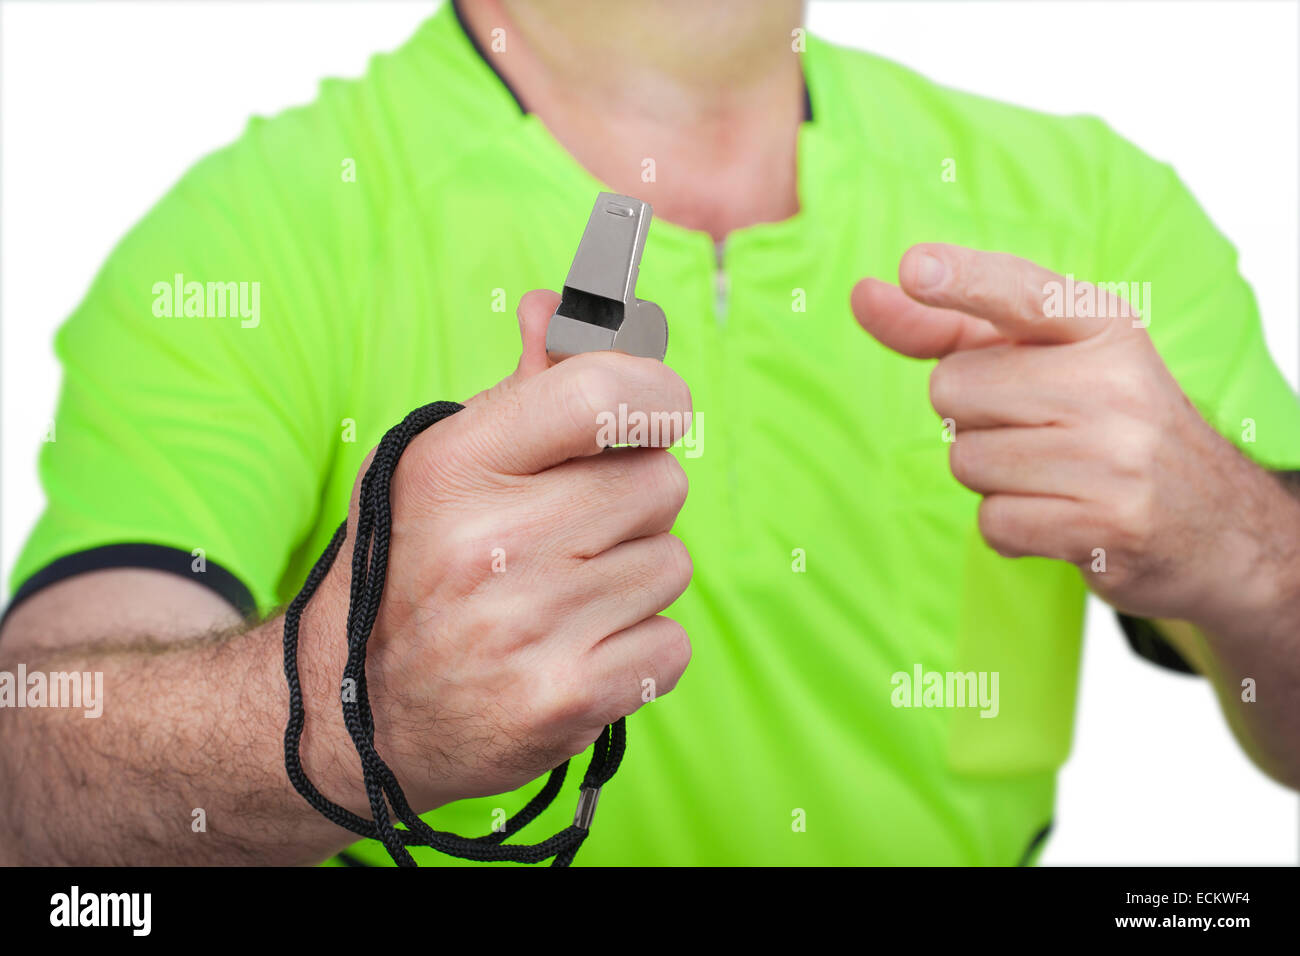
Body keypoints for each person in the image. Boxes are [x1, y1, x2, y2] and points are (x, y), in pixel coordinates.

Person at [2, 0, 1298, 866]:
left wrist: (1246, 546)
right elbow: (26, 757)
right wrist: (350, 713)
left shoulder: (1096, 207)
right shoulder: (257, 232)